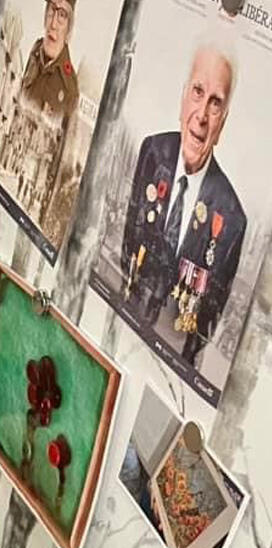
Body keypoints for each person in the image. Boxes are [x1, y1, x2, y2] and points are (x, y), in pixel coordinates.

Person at [120, 42, 246, 367]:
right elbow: (128, 248)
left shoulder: (232, 217)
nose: (202, 116)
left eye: (215, 103)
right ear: (182, 97)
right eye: (198, 92)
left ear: (223, 124)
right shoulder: (152, 153)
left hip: (168, 360)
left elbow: (206, 321)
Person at [20, 0, 79, 125]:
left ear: (69, 30)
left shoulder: (69, 88)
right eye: (52, 10)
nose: (53, 24)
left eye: (62, 15)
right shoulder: (36, 51)